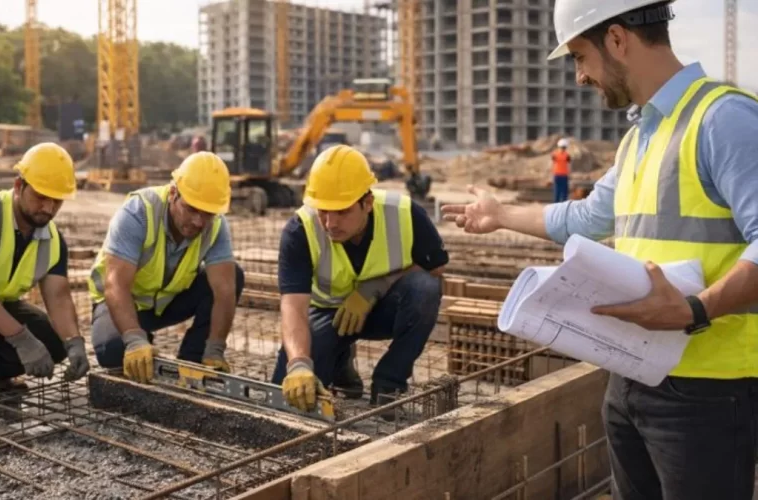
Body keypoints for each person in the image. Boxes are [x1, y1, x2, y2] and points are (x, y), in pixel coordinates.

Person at [441, 1, 758, 498]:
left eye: (578, 57)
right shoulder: (640, 138)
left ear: (616, 39)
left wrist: (695, 309)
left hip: (708, 390)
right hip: (632, 376)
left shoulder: (725, 120)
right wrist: (500, 216)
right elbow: (586, 218)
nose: (579, 77)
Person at [272, 145, 448, 417]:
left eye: (341, 212)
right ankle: (341, 363)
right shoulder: (300, 230)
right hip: (329, 314)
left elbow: (435, 270)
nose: (330, 223)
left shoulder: (404, 213)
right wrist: (298, 364)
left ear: (367, 203)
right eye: (323, 212)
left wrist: (371, 289)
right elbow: (293, 306)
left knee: (425, 288)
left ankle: (389, 383)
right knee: (292, 392)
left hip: (383, 310)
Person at [88, 152, 245, 383]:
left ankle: (195, 359)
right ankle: (139, 337)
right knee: (113, 351)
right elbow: (116, 285)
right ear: (173, 193)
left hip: (166, 303)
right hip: (122, 304)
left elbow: (224, 291)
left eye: (208, 214)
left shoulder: (216, 226)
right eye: (191, 209)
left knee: (234, 275)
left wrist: (215, 349)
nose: (199, 222)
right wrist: (134, 339)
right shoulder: (139, 212)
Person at [0, 143, 90, 397]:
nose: (49, 208)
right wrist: (21, 339)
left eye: (56, 201)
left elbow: (59, 298)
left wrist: (74, 342)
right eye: (41, 197)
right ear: (19, 186)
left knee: (52, 339)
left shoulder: (52, 240)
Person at [552, 138, 571, 202]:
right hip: (563, 175)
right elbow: (569, 165)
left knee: (558, 192)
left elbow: (552, 164)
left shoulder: (555, 155)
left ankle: (556, 206)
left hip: (558, 175)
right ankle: (563, 207)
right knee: (563, 193)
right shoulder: (567, 155)